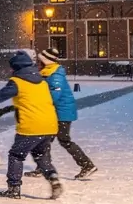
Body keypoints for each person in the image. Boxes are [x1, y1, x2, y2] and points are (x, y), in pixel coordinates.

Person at [0, 50, 62, 200]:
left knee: (16, 155)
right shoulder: (42, 81)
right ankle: (53, 178)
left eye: (11, 68)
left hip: (31, 126)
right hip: (50, 125)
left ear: (16, 68)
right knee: (40, 155)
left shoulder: (17, 82)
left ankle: (14, 188)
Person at [26, 47, 97, 180]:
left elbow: (54, 95)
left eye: (39, 61)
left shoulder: (55, 74)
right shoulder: (48, 72)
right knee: (46, 141)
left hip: (61, 114)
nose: (37, 64)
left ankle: (86, 165)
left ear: (45, 62)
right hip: (57, 113)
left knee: (62, 140)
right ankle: (43, 167)